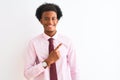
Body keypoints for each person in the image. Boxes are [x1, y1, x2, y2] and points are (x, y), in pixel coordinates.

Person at [24, 3, 78, 80]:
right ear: (41, 21)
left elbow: (75, 70)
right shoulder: (33, 43)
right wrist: (47, 61)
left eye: (53, 18)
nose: (50, 22)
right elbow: (27, 74)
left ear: (57, 20)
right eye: (46, 18)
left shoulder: (68, 42)